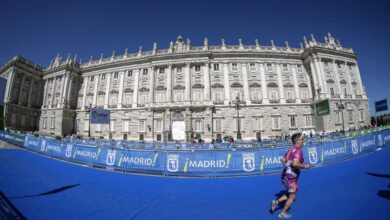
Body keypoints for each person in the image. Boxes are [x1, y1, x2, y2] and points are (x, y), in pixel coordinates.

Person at [270, 133, 312, 218]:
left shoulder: (290, 149)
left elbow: (283, 159)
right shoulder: (298, 151)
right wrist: (305, 166)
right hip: (291, 178)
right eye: (302, 139)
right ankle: (283, 213)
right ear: (297, 141)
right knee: (292, 196)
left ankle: (276, 202)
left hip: (285, 176)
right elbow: (295, 164)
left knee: (289, 193)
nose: (303, 141)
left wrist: (286, 168)